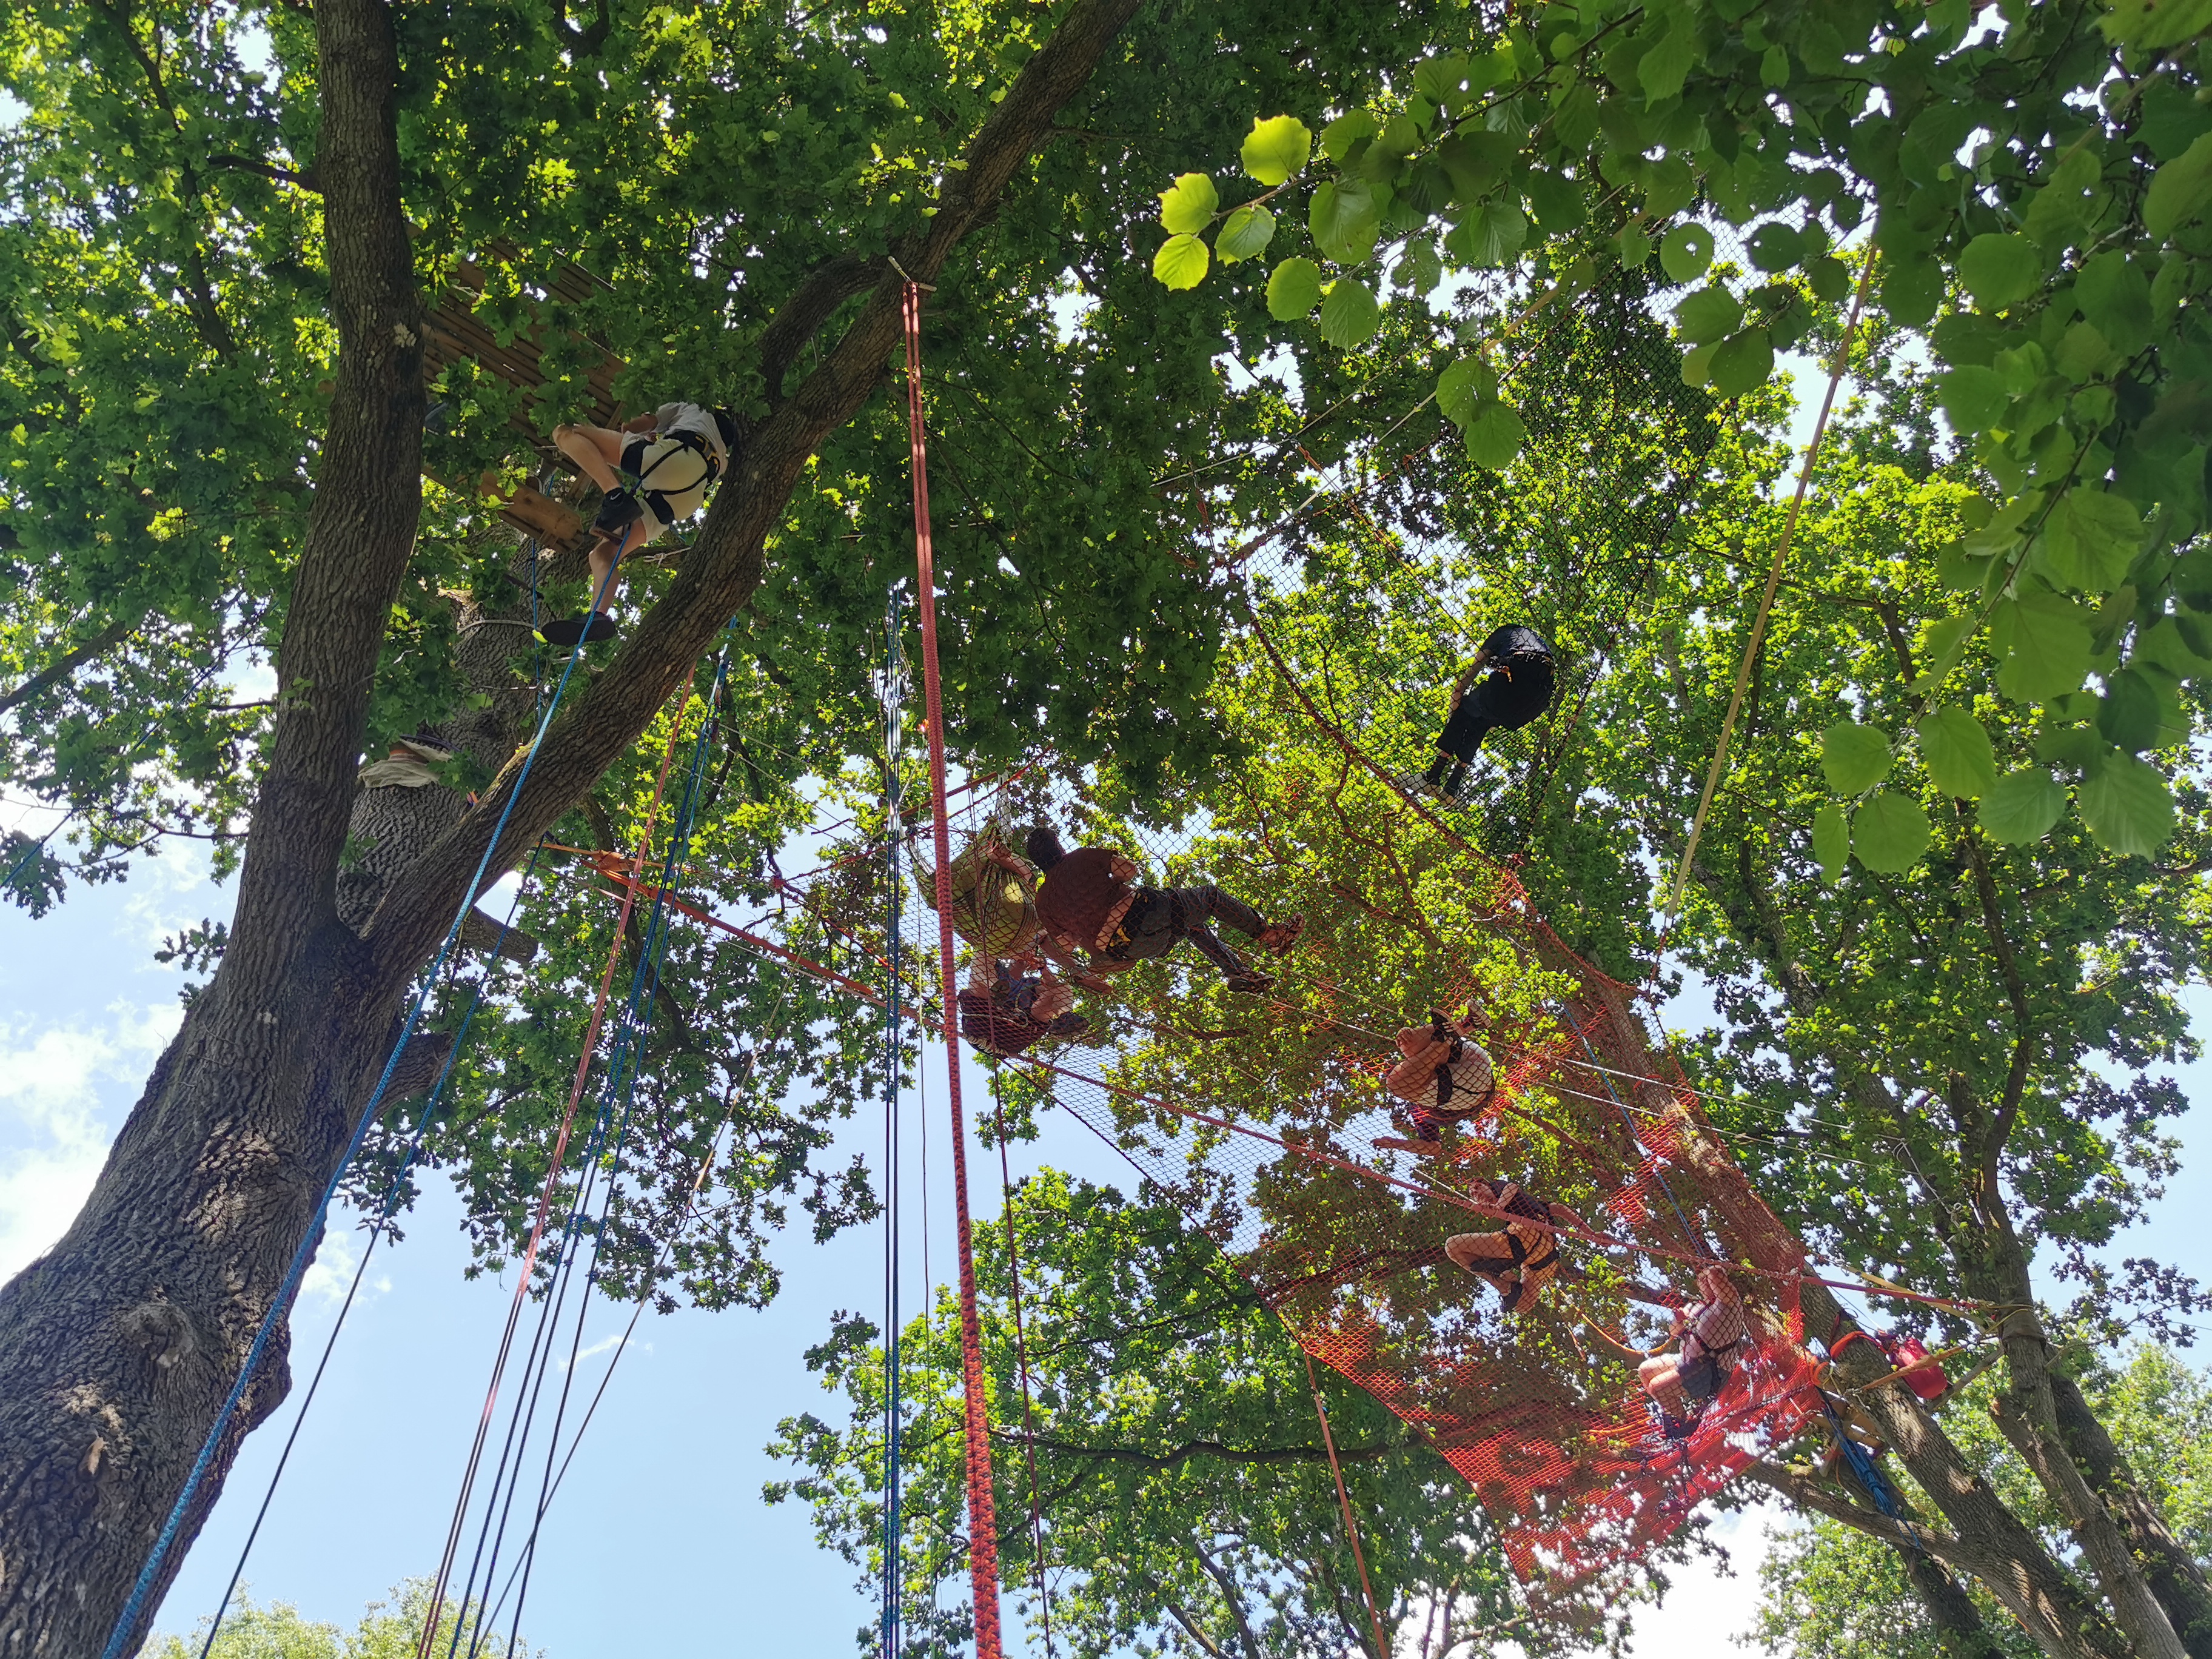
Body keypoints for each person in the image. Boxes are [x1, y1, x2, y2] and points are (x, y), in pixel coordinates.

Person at [537, 402, 739, 646]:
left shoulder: (693, 407)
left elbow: (631, 427)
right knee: (602, 555)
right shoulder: (723, 457)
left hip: (677, 460)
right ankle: (598, 614)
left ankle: (614, 495)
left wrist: (646, 430)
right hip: (687, 497)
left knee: (566, 431)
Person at [1024, 826, 1302, 995]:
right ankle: (1271, 936)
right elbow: (1128, 870)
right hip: (1146, 913)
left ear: (1037, 862)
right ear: (1058, 846)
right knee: (1210, 897)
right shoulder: (1080, 857)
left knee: (1194, 926)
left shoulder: (1042, 901)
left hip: (1132, 949)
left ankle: (1237, 972)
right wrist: (1112, 884)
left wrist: (1081, 920)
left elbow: (1067, 944)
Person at [1406, 623, 1557, 802]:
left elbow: (1467, 679)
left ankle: (1432, 776)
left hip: (1521, 676)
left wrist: (1455, 714)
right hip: (1536, 703)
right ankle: (1452, 786)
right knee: (1482, 720)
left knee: (1467, 708)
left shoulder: (1499, 637)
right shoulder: (1527, 640)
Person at [1441, 1178, 1583, 1315]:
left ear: (1488, 1186)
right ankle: (1505, 1283)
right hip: (1538, 1260)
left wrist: (1498, 1206)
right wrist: (1588, 1231)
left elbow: (1512, 1187)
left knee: (1452, 1245)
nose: (1476, 1193)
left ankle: (1502, 1279)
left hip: (1527, 1237)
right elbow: (1559, 1208)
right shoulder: (1532, 1205)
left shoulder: (1498, 1187)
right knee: (1522, 1306)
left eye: (1478, 1187)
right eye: (1472, 1193)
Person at [1640, 1265, 1749, 1434]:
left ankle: (1681, 1427)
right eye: (1702, 1280)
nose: (1705, 1282)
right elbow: (1674, 1331)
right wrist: (1679, 1320)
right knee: (1645, 1370)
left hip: (1711, 1370)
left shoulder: (1730, 1304)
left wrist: (1706, 1269)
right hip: (1687, 1361)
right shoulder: (1696, 1306)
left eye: (1708, 1280)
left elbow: (1715, 1274)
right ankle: (1676, 1416)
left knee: (1657, 1388)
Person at [1383, 1010, 1497, 1144]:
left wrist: (1404, 1033)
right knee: (1405, 1054)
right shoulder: (1419, 1111)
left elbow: (1432, 1148)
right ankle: (1463, 1026)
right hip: (1471, 1085)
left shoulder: (1417, 1108)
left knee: (1406, 1044)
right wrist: (1392, 1143)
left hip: (1467, 1073)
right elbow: (1433, 1147)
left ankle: (1464, 1025)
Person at [957, 955, 1090, 1058]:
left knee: (1063, 989)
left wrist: (1043, 969)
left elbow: (1055, 987)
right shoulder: (1002, 972)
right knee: (980, 960)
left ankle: (1065, 1018)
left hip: (1019, 1025)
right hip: (987, 1011)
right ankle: (995, 988)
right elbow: (984, 957)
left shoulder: (1032, 983)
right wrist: (1013, 953)